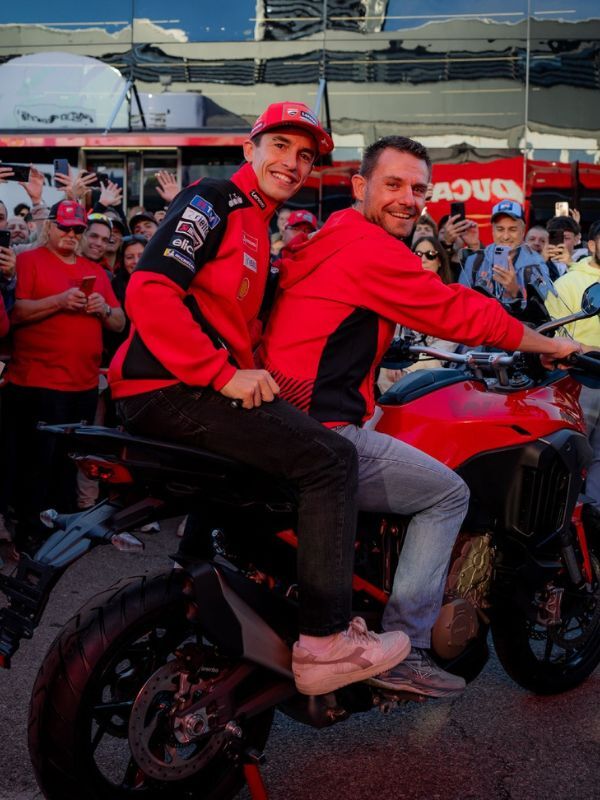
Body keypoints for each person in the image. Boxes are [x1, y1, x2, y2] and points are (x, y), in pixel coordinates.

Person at [260, 135, 583, 698]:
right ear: (359, 186)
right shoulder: (371, 247)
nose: (408, 199)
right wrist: (547, 344)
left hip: (279, 419)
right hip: (324, 430)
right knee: (448, 494)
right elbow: (456, 309)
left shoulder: (328, 238)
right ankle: (407, 647)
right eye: (393, 184)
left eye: (418, 189)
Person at [108, 102, 409, 696]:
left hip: (184, 389)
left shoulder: (259, 225)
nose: (293, 163)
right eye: (280, 146)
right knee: (332, 460)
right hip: (169, 386)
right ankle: (324, 643)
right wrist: (220, 375)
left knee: (265, 479)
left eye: (305, 156)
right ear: (250, 149)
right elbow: (149, 289)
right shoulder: (214, 198)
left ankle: (221, 606)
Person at [4, 200, 125, 552]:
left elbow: (120, 322)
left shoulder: (95, 270)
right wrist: (58, 301)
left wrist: (104, 309)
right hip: (37, 383)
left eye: (77, 229)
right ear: (50, 226)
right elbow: (14, 313)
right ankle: (30, 535)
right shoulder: (28, 261)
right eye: (65, 227)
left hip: (83, 384)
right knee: (35, 464)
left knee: (68, 464)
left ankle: (60, 534)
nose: (71, 234)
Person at [545, 219, 600, 507]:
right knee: (577, 452)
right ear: (590, 245)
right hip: (581, 381)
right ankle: (566, 515)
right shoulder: (567, 283)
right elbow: (552, 334)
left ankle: (593, 519)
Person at [377, 235, 458, 393]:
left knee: (429, 364)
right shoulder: (399, 295)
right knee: (385, 369)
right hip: (401, 360)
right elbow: (393, 334)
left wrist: (409, 366)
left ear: (440, 261)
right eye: (418, 254)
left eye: (430, 255)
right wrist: (395, 361)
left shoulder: (450, 297)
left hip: (434, 363)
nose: (423, 259)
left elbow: (445, 347)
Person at [459, 199, 554, 323]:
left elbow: (543, 313)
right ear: (492, 230)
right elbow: (461, 305)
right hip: (482, 332)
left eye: (512, 229)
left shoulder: (536, 264)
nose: (505, 236)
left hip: (519, 332)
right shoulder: (475, 260)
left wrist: (515, 291)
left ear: (523, 231)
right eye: (500, 229)